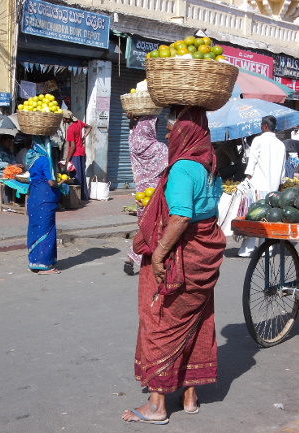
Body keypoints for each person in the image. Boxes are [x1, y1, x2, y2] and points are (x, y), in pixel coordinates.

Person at [121, 106, 226, 425]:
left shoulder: (183, 168)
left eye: (174, 127)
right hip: (205, 255)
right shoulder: (210, 164)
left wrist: (161, 253)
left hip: (181, 256)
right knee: (196, 321)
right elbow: (207, 209)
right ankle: (190, 396)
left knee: (160, 321)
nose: (168, 133)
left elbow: (180, 216)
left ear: (185, 132)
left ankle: (156, 405)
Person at [124, 114, 168, 276]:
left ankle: (133, 255)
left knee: (145, 225)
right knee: (155, 227)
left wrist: (133, 121)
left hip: (141, 193)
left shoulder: (133, 143)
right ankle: (139, 256)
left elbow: (131, 131)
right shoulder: (160, 148)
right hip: (156, 193)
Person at [238, 115, 286, 257]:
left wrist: (247, 178)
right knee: (268, 217)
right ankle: (268, 249)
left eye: (260, 124)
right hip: (272, 188)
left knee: (254, 217)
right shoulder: (281, 144)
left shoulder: (258, 141)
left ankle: (248, 249)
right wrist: (280, 185)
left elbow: (252, 163)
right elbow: (282, 170)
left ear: (265, 125)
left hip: (258, 186)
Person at [26, 136, 66, 275]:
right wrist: (61, 184)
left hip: (34, 195)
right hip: (45, 196)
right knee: (46, 230)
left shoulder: (30, 157)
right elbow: (51, 182)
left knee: (35, 228)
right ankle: (44, 265)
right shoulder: (44, 160)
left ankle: (34, 262)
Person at [63, 110, 92, 201]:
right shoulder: (78, 123)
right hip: (81, 151)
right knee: (82, 174)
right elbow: (89, 127)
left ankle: (76, 198)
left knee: (76, 176)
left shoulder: (70, 129)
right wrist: (83, 137)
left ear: (66, 119)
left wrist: (67, 159)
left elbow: (73, 147)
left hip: (75, 153)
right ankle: (84, 196)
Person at [0, 134, 24, 203]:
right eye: (8, 141)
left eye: (11, 142)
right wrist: (10, 165)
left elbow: (14, 162)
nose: (10, 144)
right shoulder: (0, 151)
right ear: (3, 142)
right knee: (6, 182)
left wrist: (18, 165)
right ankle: (6, 203)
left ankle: (17, 201)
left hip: (11, 173)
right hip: (1, 174)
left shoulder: (9, 151)